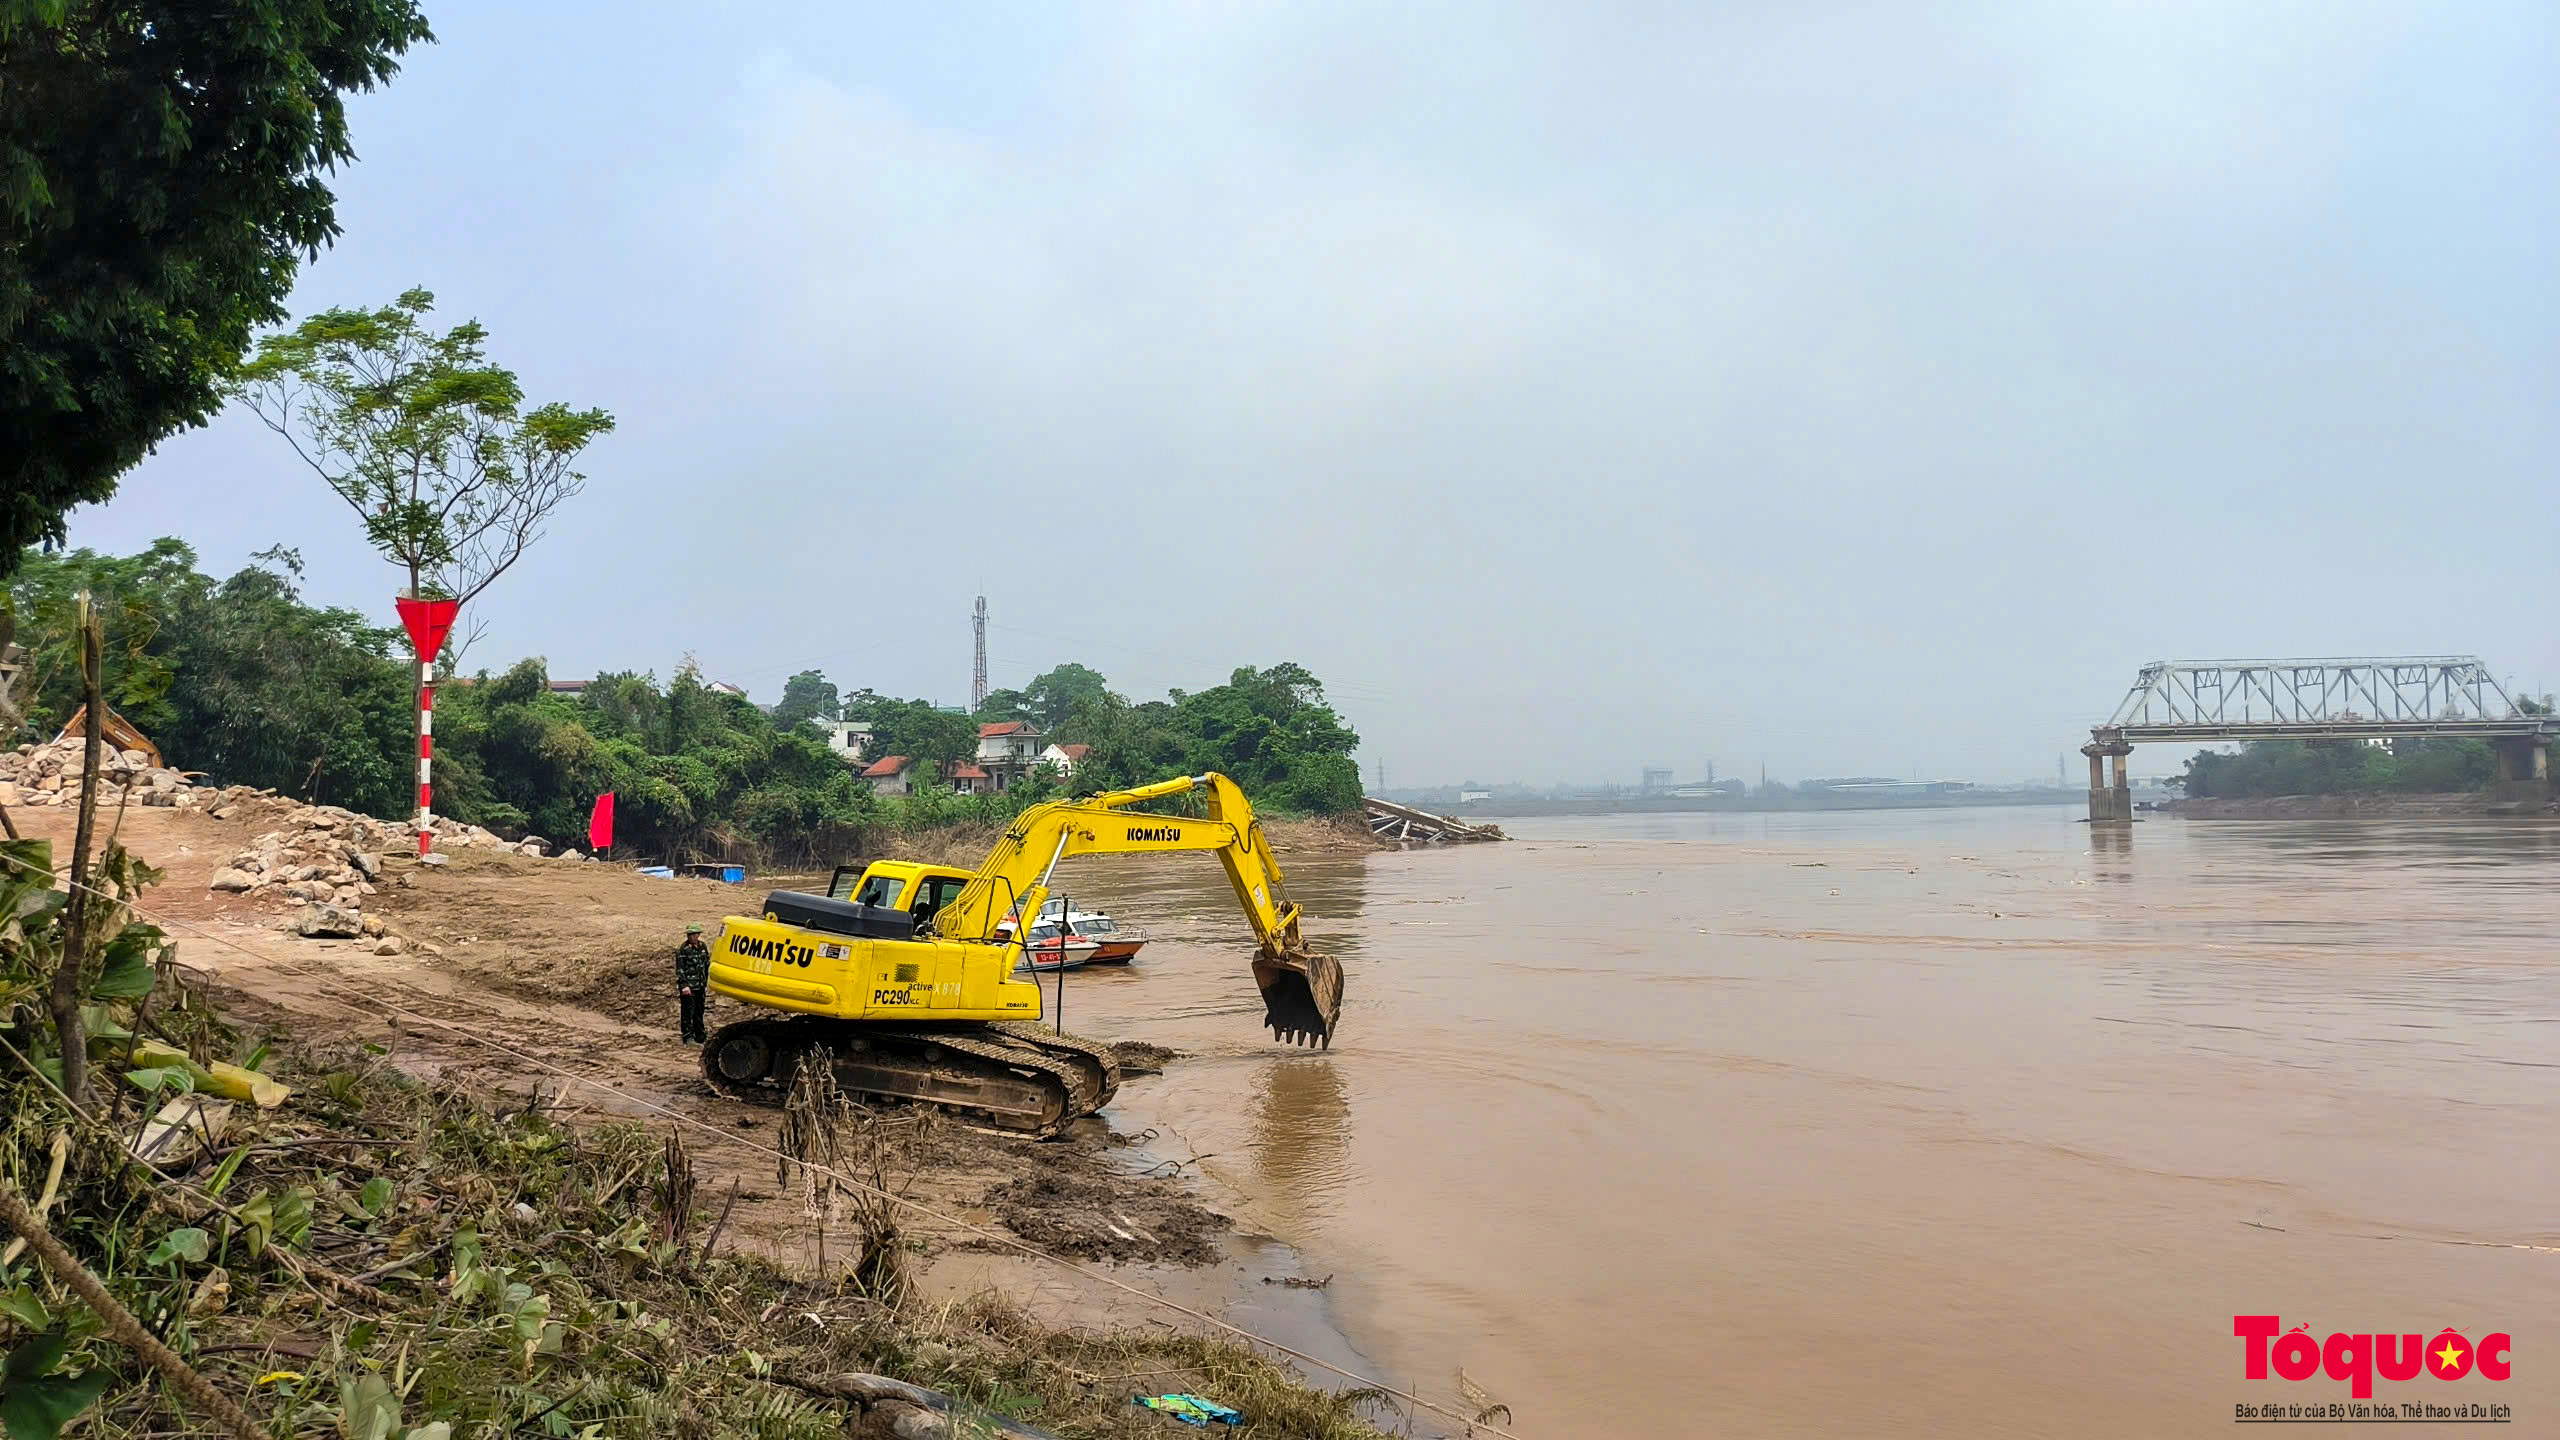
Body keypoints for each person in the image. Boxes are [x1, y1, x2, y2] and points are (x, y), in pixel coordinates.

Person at [675, 922, 711, 1043]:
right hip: (689, 986)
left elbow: (706, 965)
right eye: (690, 935)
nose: (692, 937)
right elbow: (680, 969)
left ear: (698, 935)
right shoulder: (683, 950)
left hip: (700, 985)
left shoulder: (702, 947)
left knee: (699, 1011)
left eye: (694, 934)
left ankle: (700, 1035)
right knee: (688, 1011)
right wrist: (684, 985)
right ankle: (688, 1036)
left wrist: (706, 982)